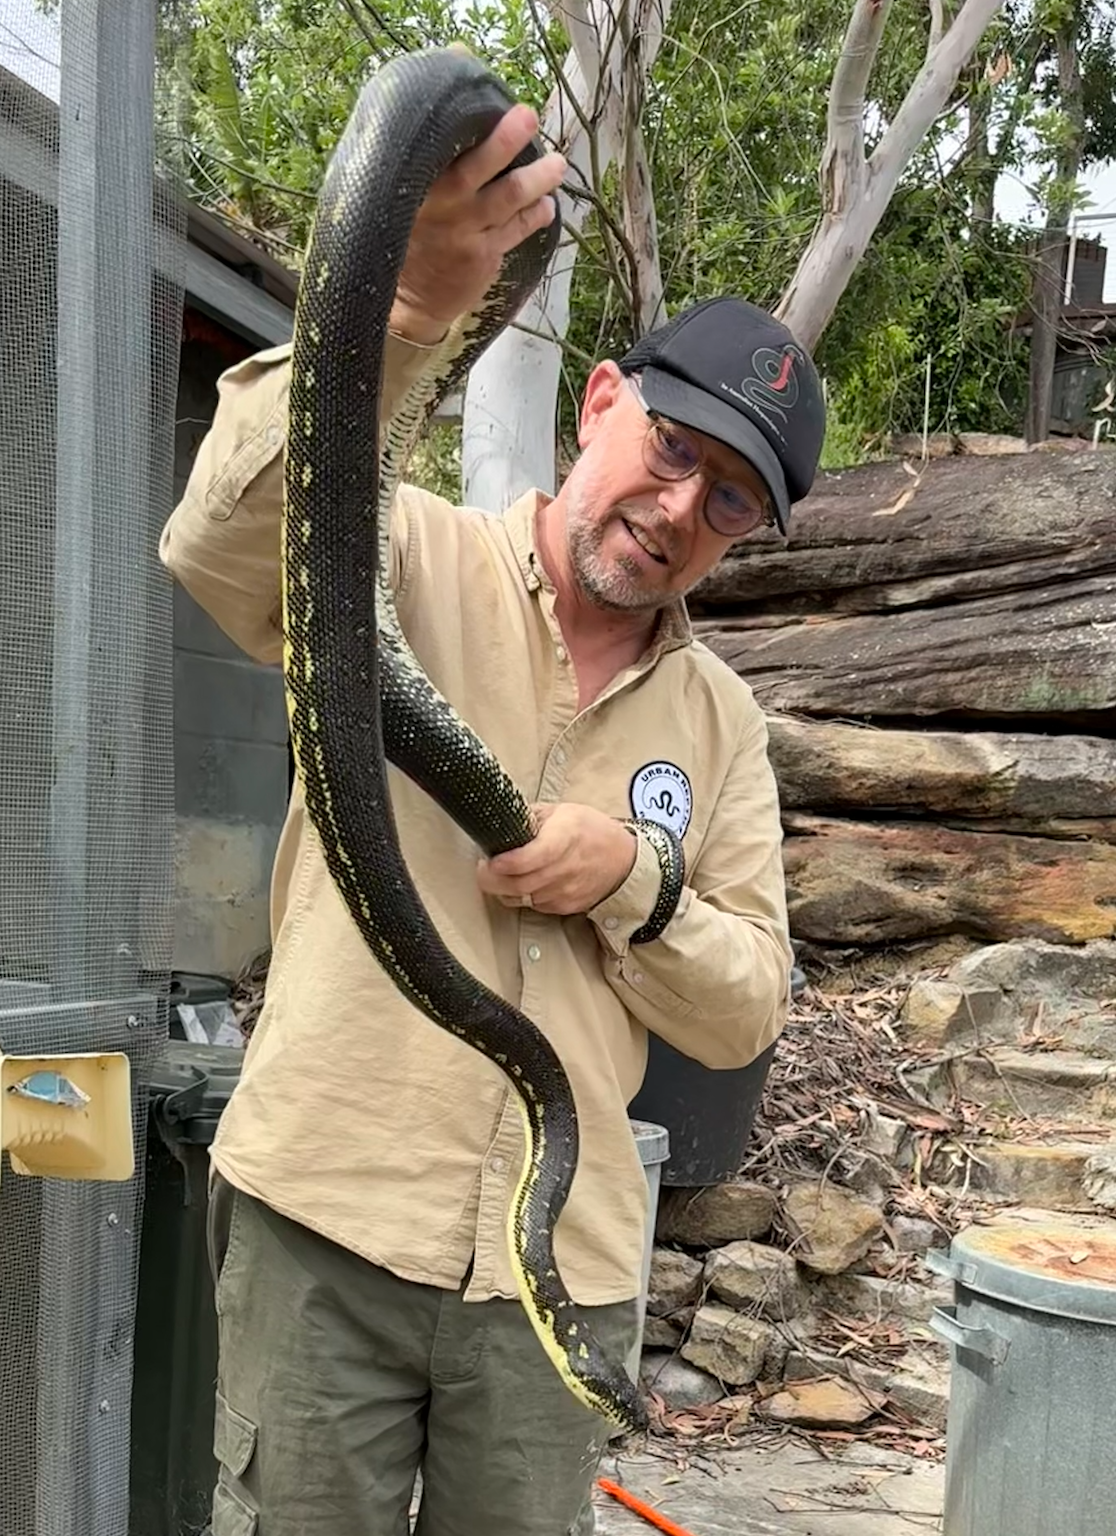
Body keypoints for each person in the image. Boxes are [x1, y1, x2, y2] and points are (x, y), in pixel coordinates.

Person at [160, 94, 825, 1536]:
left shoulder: (722, 730)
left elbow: (747, 1009)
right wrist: (399, 308)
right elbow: (214, 542)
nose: (677, 507)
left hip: (559, 1279)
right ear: (599, 402)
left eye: (728, 501)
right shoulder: (398, 549)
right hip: (329, 1215)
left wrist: (633, 883)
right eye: (670, 448)